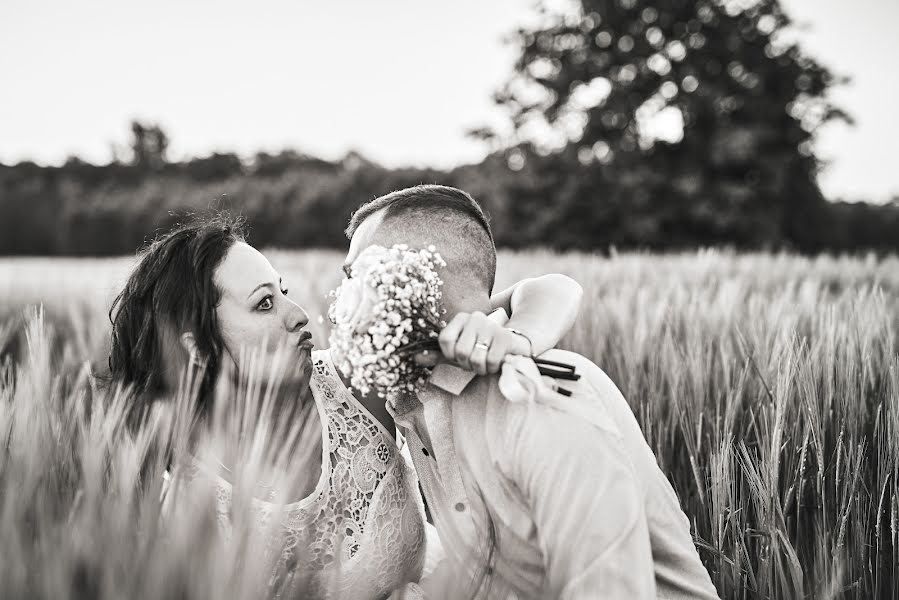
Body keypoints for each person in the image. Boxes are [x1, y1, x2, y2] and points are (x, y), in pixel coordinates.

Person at [108, 212, 583, 599]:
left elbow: (550, 289)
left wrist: (515, 338)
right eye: (264, 305)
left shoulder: (356, 378)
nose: (300, 317)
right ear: (196, 348)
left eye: (284, 293)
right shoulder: (180, 501)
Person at [343, 185, 721, 599]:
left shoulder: (538, 399)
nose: (346, 306)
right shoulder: (416, 399)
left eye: (362, 280)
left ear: (422, 280)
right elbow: (489, 571)